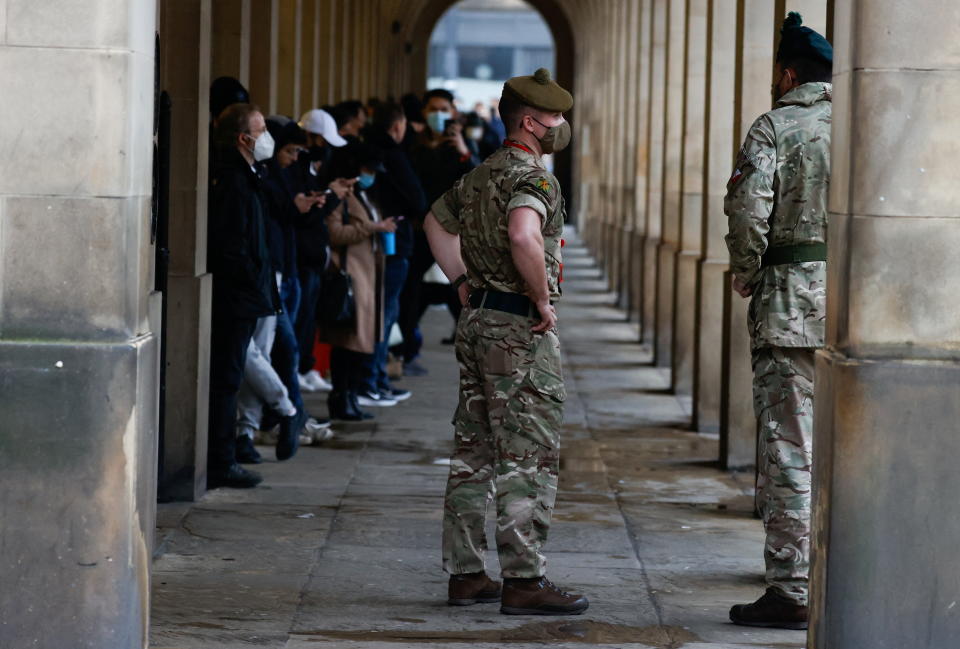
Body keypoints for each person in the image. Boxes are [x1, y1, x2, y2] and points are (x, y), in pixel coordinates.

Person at [424, 68, 588, 615]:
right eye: (556, 117)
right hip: (519, 329)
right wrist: (542, 299)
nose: (561, 124)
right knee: (528, 454)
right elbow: (524, 233)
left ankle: (466, 573)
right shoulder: (533, 179)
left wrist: (463, 284)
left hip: (479, 323)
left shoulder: (477, 176)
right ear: (530, 121)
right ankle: (523, 578)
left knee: (474, 450)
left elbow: (434, 224)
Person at [724, 12, 832, 630]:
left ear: (788, 74)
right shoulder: (862, 126)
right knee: (849, 453)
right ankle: (842, 572)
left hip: (788, 306)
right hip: (854, 312)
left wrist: (745, 270)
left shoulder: (775, 126)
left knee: (791, 449)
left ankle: (792, 587)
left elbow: (749, 209)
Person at [206, 103, 280, 489]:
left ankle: (225, 454)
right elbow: (233, 244)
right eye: (261, 128)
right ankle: (221, 459)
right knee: (227, 379)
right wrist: (253, 282)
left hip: (247, 293)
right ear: (243, 137)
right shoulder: (234, 181)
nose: (266, 135)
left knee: (231, 376)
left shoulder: (250, 175)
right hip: (238, 296)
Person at [399, 89, 481, 375]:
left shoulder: (460, 145)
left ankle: (475, 355)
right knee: (409, 293)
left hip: (451, 231)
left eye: (444, 108)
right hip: (418, 228)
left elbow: (479, 182)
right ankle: (404, 351)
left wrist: (462, 150)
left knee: (461, 291)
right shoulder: (413, 144)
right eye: (433, 108)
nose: (438, 114)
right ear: (423, 111)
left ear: (453, 112)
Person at [320, 144, 398, 420]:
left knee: (359, 343)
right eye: (367, 170)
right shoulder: (339, 196)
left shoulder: (364, 195)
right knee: (347, 343)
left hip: (368, 274)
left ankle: (350, 396)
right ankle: (341, 397)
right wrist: (373, 228)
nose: (370, 175)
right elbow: (334, 233)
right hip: (351, 276)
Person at [362, 102, 428, 404]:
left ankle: (373, 378)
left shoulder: (368, 150)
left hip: (373, 244)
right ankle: (373, 380)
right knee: (383, 315)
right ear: (398, 126)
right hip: (391, 242)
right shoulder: (393, 156)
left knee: (378, 314)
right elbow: (417, 198)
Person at [291, 109, 351, 393]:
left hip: (313, 258)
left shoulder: (313, 168)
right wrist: (330, 199)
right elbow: (307, 215)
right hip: (303, 258)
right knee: (298, 320)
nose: (325, 148)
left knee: (308, 319)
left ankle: (305, 365)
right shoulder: (298, 169)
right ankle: (298, 368)